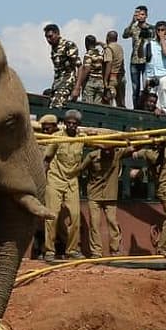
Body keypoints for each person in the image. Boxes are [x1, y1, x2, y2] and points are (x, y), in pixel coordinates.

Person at [41, 111, 85, 261]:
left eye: (74, 123)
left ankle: (72, 250)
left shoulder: (84, 138)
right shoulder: (57, 137)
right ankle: (49, 251)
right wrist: (42, 179)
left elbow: (101, 142)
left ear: (78, 125)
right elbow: (47, 158)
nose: (71, 125)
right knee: (52, 216)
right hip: (55, 180)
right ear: (65, 123)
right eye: (69, 123)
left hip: (72, 181)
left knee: (75, 216)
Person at [133, 140, 166, 256]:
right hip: (164, 189)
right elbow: (157, 160)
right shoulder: (149, 153)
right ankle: (162, 248)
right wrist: (164, 147)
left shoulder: (163, 151)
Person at [80, 144, 132, 257]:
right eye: (106, 149)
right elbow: (80, 169)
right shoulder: (92, 156)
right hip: (94, 195)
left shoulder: (118, 153)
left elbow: (133, 149)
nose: (108, 152)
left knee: (112, 221)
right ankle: (96, 252)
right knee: (94, 223)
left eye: (111, 149)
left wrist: (135, 138)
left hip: (110, 195)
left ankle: (115, 249)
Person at [44, 24, 82, 109]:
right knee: (49, 105)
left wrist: (77, 88)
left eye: (50, 36)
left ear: (57, 33)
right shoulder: (54, 48)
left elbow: (79, 66)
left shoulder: (68, 45)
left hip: (68, 81)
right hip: (57, 82)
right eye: (46, 37)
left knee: (56, 107)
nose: (48, 39)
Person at [122, 6, 152, 109]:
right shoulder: (134, 27)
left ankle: (145, 108)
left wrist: (146, 29)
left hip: (146, 62)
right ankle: (136, 108)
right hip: (134, 61)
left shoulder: (150, 28)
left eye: (143, 14)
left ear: (146, 16)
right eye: (139, 14)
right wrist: (132, 21)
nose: (140, 16)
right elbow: (125, 35)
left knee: (146, 87)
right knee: (135, 88)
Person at [144, 20, 166, 114]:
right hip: (151, 75)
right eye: (158, 30)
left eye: (162, 30)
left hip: (164, 74)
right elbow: (145, 58)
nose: (160, 32)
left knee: (164, 101)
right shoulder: (149, 43)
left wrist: (162, 40)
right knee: (149, 101)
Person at [73, 34, 107, 104]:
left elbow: (87, 69)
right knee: (97, 107)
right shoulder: (101, 54)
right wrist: (99, 43)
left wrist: (79, 83)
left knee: (88, 105)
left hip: (90, 82)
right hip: (100, 82)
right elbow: (106, 47)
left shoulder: (88, 54)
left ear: (86, 44)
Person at [101, 30, 125, 108]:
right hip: (121, 77)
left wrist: (105, 80)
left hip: (112, 77)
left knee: (107, 100)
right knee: (120, 103)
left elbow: (109, 63)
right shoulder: (119, 48)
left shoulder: (108, 49)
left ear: (107, 38)